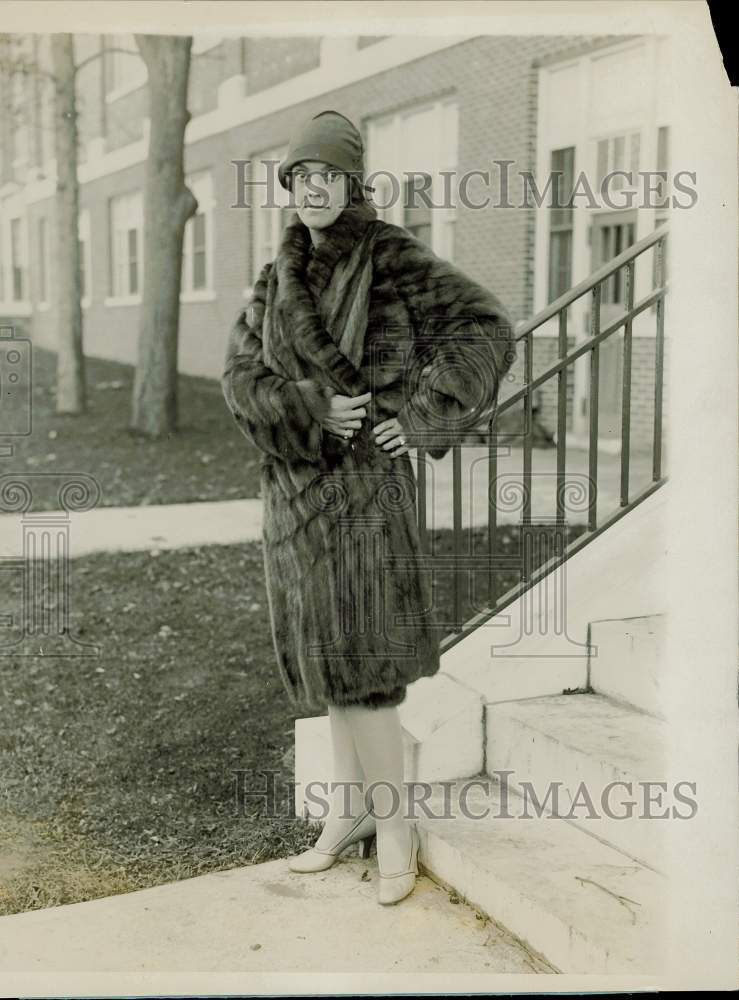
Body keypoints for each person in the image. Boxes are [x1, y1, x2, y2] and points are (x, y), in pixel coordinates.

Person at [222, 110, 515, 905]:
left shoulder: (391, 258)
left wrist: (418, 417)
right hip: (291, 496)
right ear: (289, 187)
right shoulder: (274, 275)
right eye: (300, 177)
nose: (313, 189)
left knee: (366, 672)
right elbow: (240, 378)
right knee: (329, 668)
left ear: (352, 182)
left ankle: (395, 824)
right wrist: (309, 406)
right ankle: (346, 813)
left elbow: (484, 328)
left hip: (363, 494)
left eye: (328, 176)